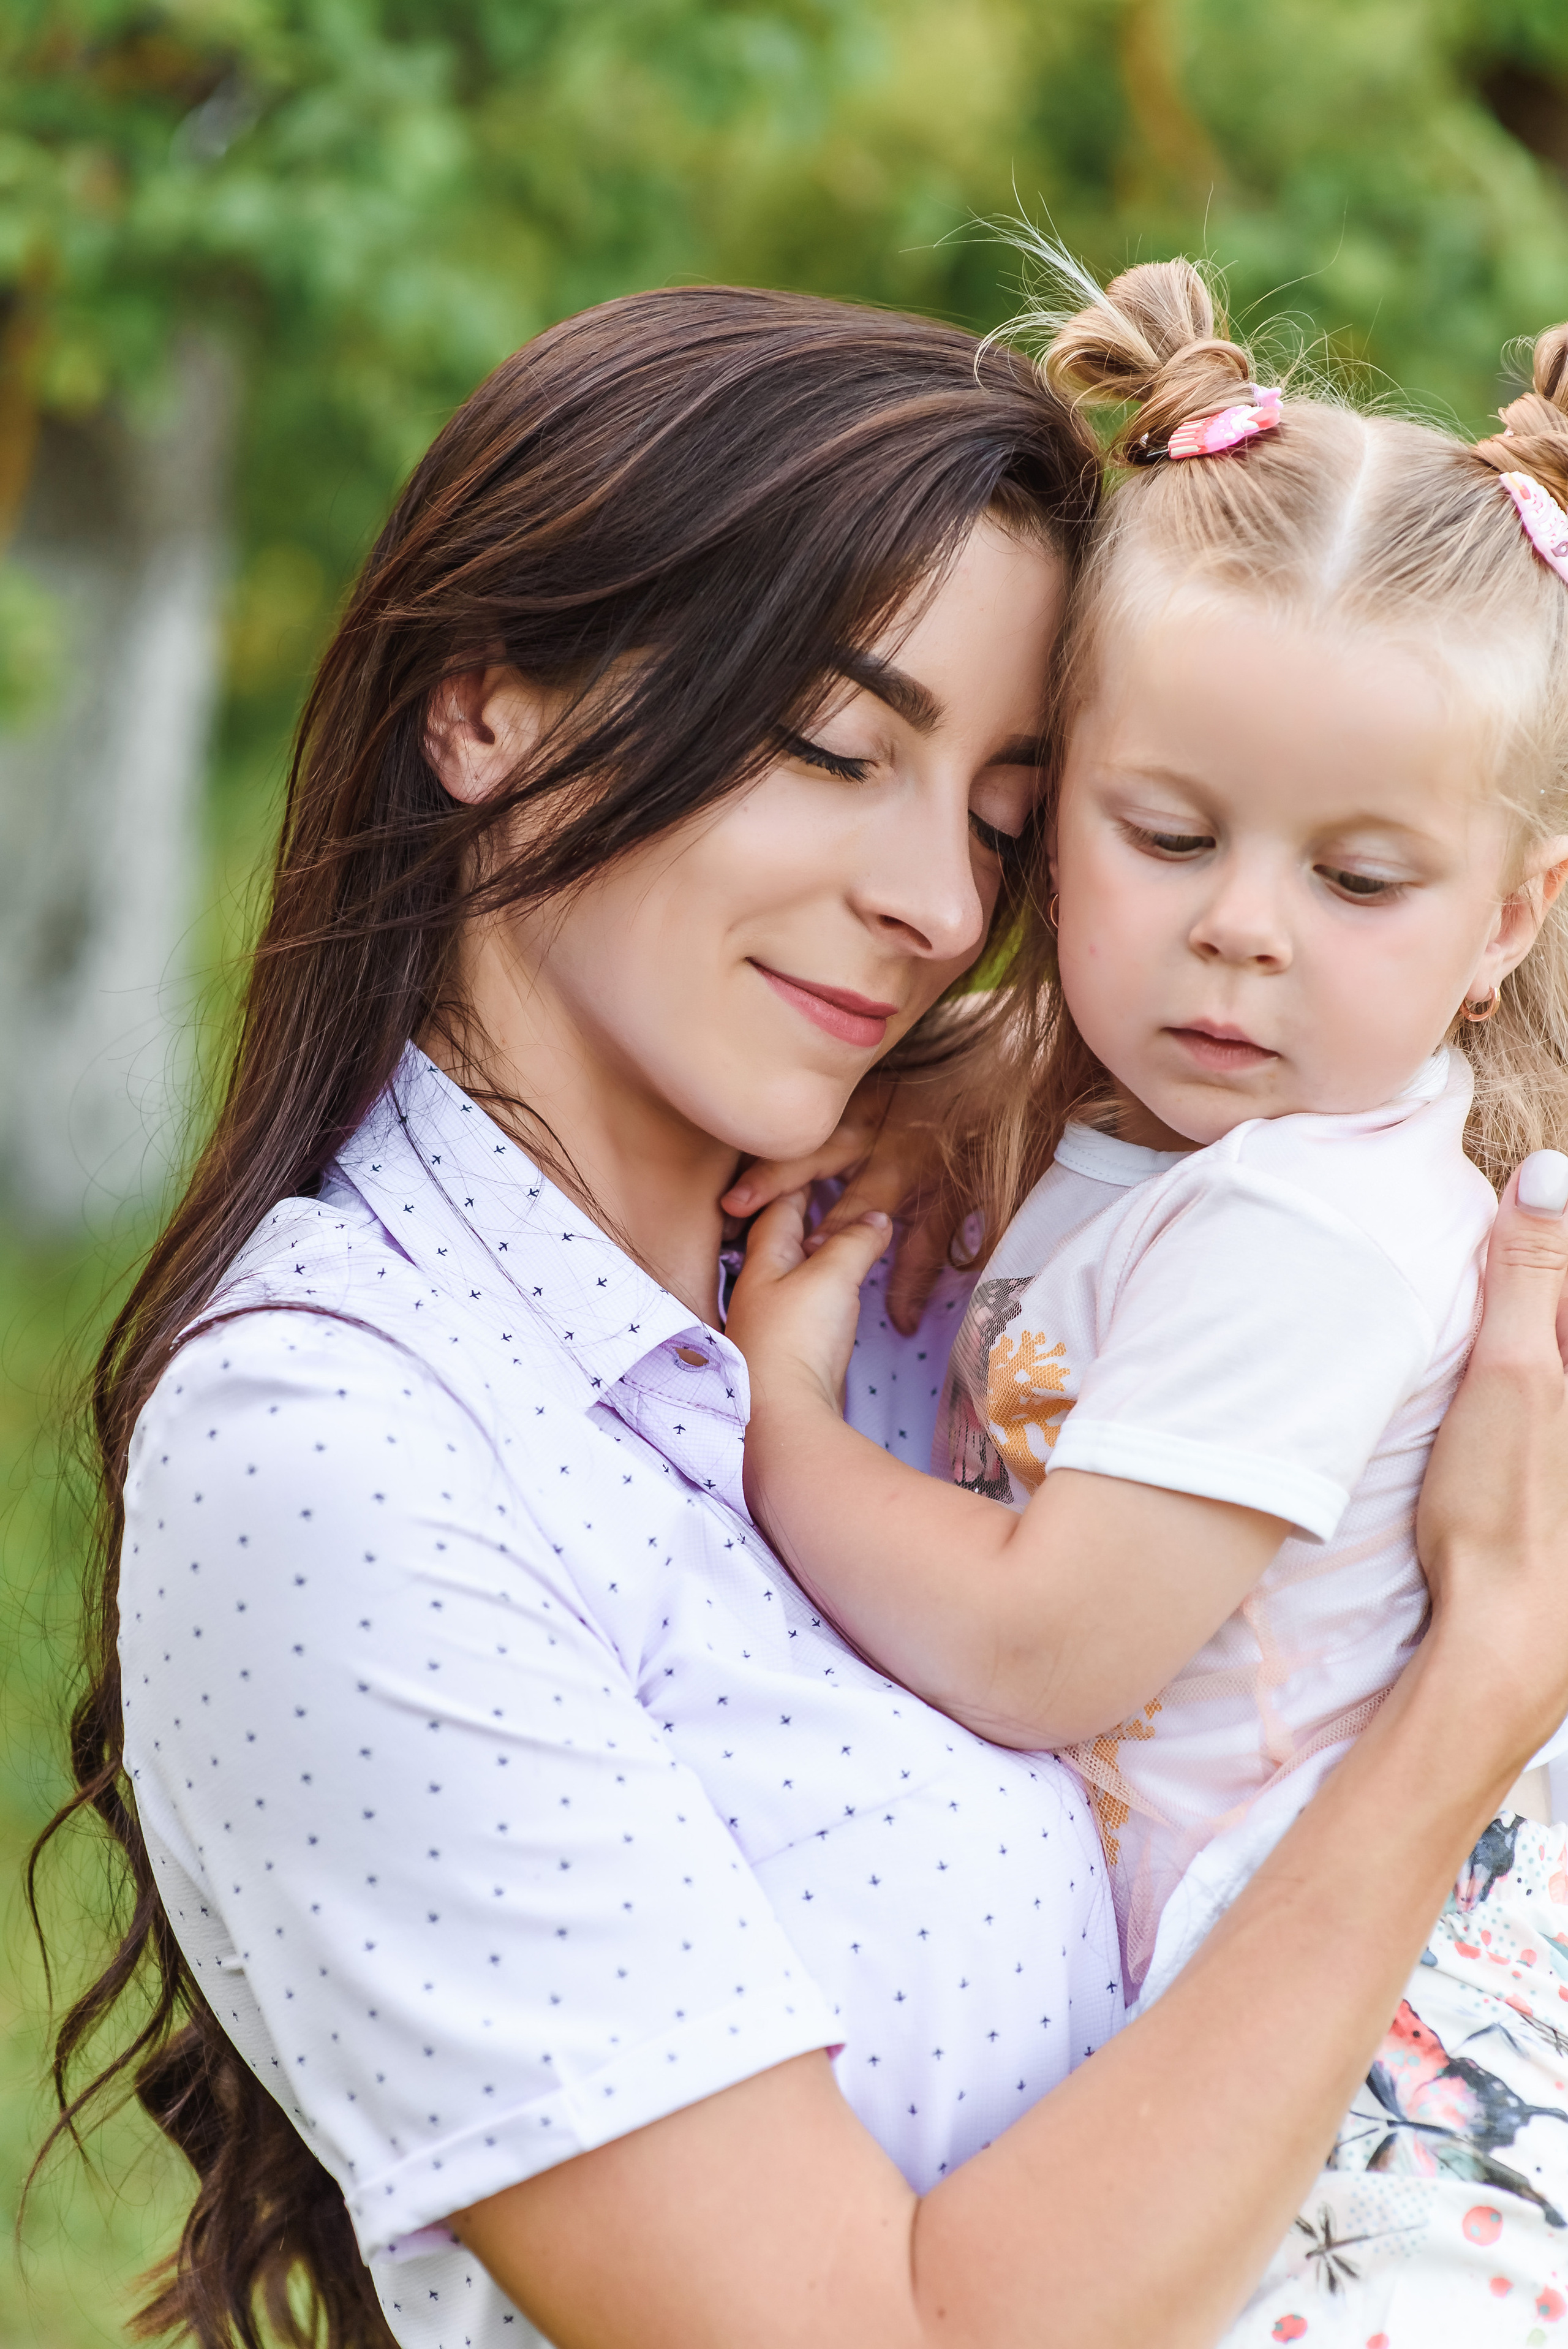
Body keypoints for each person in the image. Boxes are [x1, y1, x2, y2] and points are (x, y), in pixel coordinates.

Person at [31, 281, 1568, 2349]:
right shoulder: (340, 1445)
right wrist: (1482, 1694)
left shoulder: (958, 1222)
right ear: (485, 705)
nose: (935, 901)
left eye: (1007, 823)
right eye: (834, 747)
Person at [726, 257, 1568, 2340]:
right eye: (1166, 833)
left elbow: (1041, 1644)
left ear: (1510, 917)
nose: (1240, 937)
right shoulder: (1219, 1149)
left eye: (1359, 880)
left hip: (1358, 2134)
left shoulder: (1314, 1233)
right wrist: (958, 1080)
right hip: (1231, 2070)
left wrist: (776, 1420)